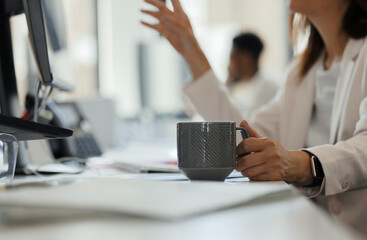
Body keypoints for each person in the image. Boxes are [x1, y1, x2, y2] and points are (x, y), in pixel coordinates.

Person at [141, 0, 367, 235]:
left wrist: (302, 164)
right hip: (307, 228)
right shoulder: (301, 72)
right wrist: (192, 53)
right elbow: (243, 136)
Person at [226, 32, 278, 117]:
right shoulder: (249, 89)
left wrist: (229, 84)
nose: (228, 66)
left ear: (245, 59)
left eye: (232, 58)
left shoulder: (268, 88)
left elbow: (246, 125)